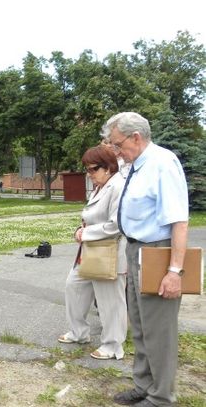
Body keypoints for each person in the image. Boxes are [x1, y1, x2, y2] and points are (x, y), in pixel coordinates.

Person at [104, 112, 188, 407]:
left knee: (159, 330)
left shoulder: (162, 163)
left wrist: (174, 271)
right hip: (136, 250)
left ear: (135, 137)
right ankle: (143, 385)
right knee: (139, 326)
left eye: (117, 144)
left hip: (156, 251)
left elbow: (179, 221)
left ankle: (162, 397)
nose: (116, 151)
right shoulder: (137, 166)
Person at [58, 146, 127, 360]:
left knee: (110, 300)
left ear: (108, 167)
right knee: (74, 286)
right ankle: (79, 332)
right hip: (89, 251)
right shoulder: (100, 186)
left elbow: (118, 224)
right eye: (87, 169)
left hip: (109, 251)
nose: (89, 174)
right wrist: (83, 229)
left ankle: (113, 345)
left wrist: (86, 232)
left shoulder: (118, 186)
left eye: (93, 169)